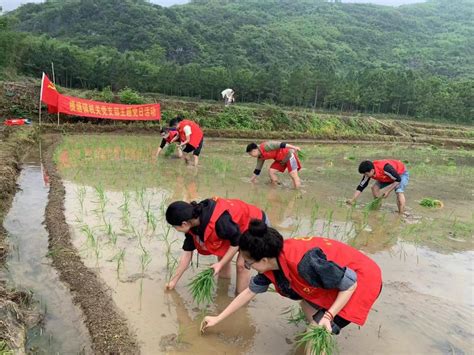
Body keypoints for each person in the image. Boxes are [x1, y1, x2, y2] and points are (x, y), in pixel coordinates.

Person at [201, 220, 382, 352]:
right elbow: (249, 291)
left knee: (316, 332)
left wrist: (328, 316)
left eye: (248, 263)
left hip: (362, 280)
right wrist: (218, 318)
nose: (247, 267)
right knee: (305, 303)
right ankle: (321, 325)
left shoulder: (305, 263)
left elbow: (350, 285)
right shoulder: (272, 262)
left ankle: (320, 335)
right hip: (336, 277)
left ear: (263, 260)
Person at [164, 197, 269, 294]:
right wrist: (173, 282)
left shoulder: (220, 221)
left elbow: (236, 243)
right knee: (222, 256)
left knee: (242, 265)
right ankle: (223, 291)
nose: (176, 230)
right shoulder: (193, 226)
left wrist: (221, 264)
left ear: (184, 224)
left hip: (255, 225)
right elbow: (186, 255)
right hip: (234, 229)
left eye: (175, 227)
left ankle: (240, 302)